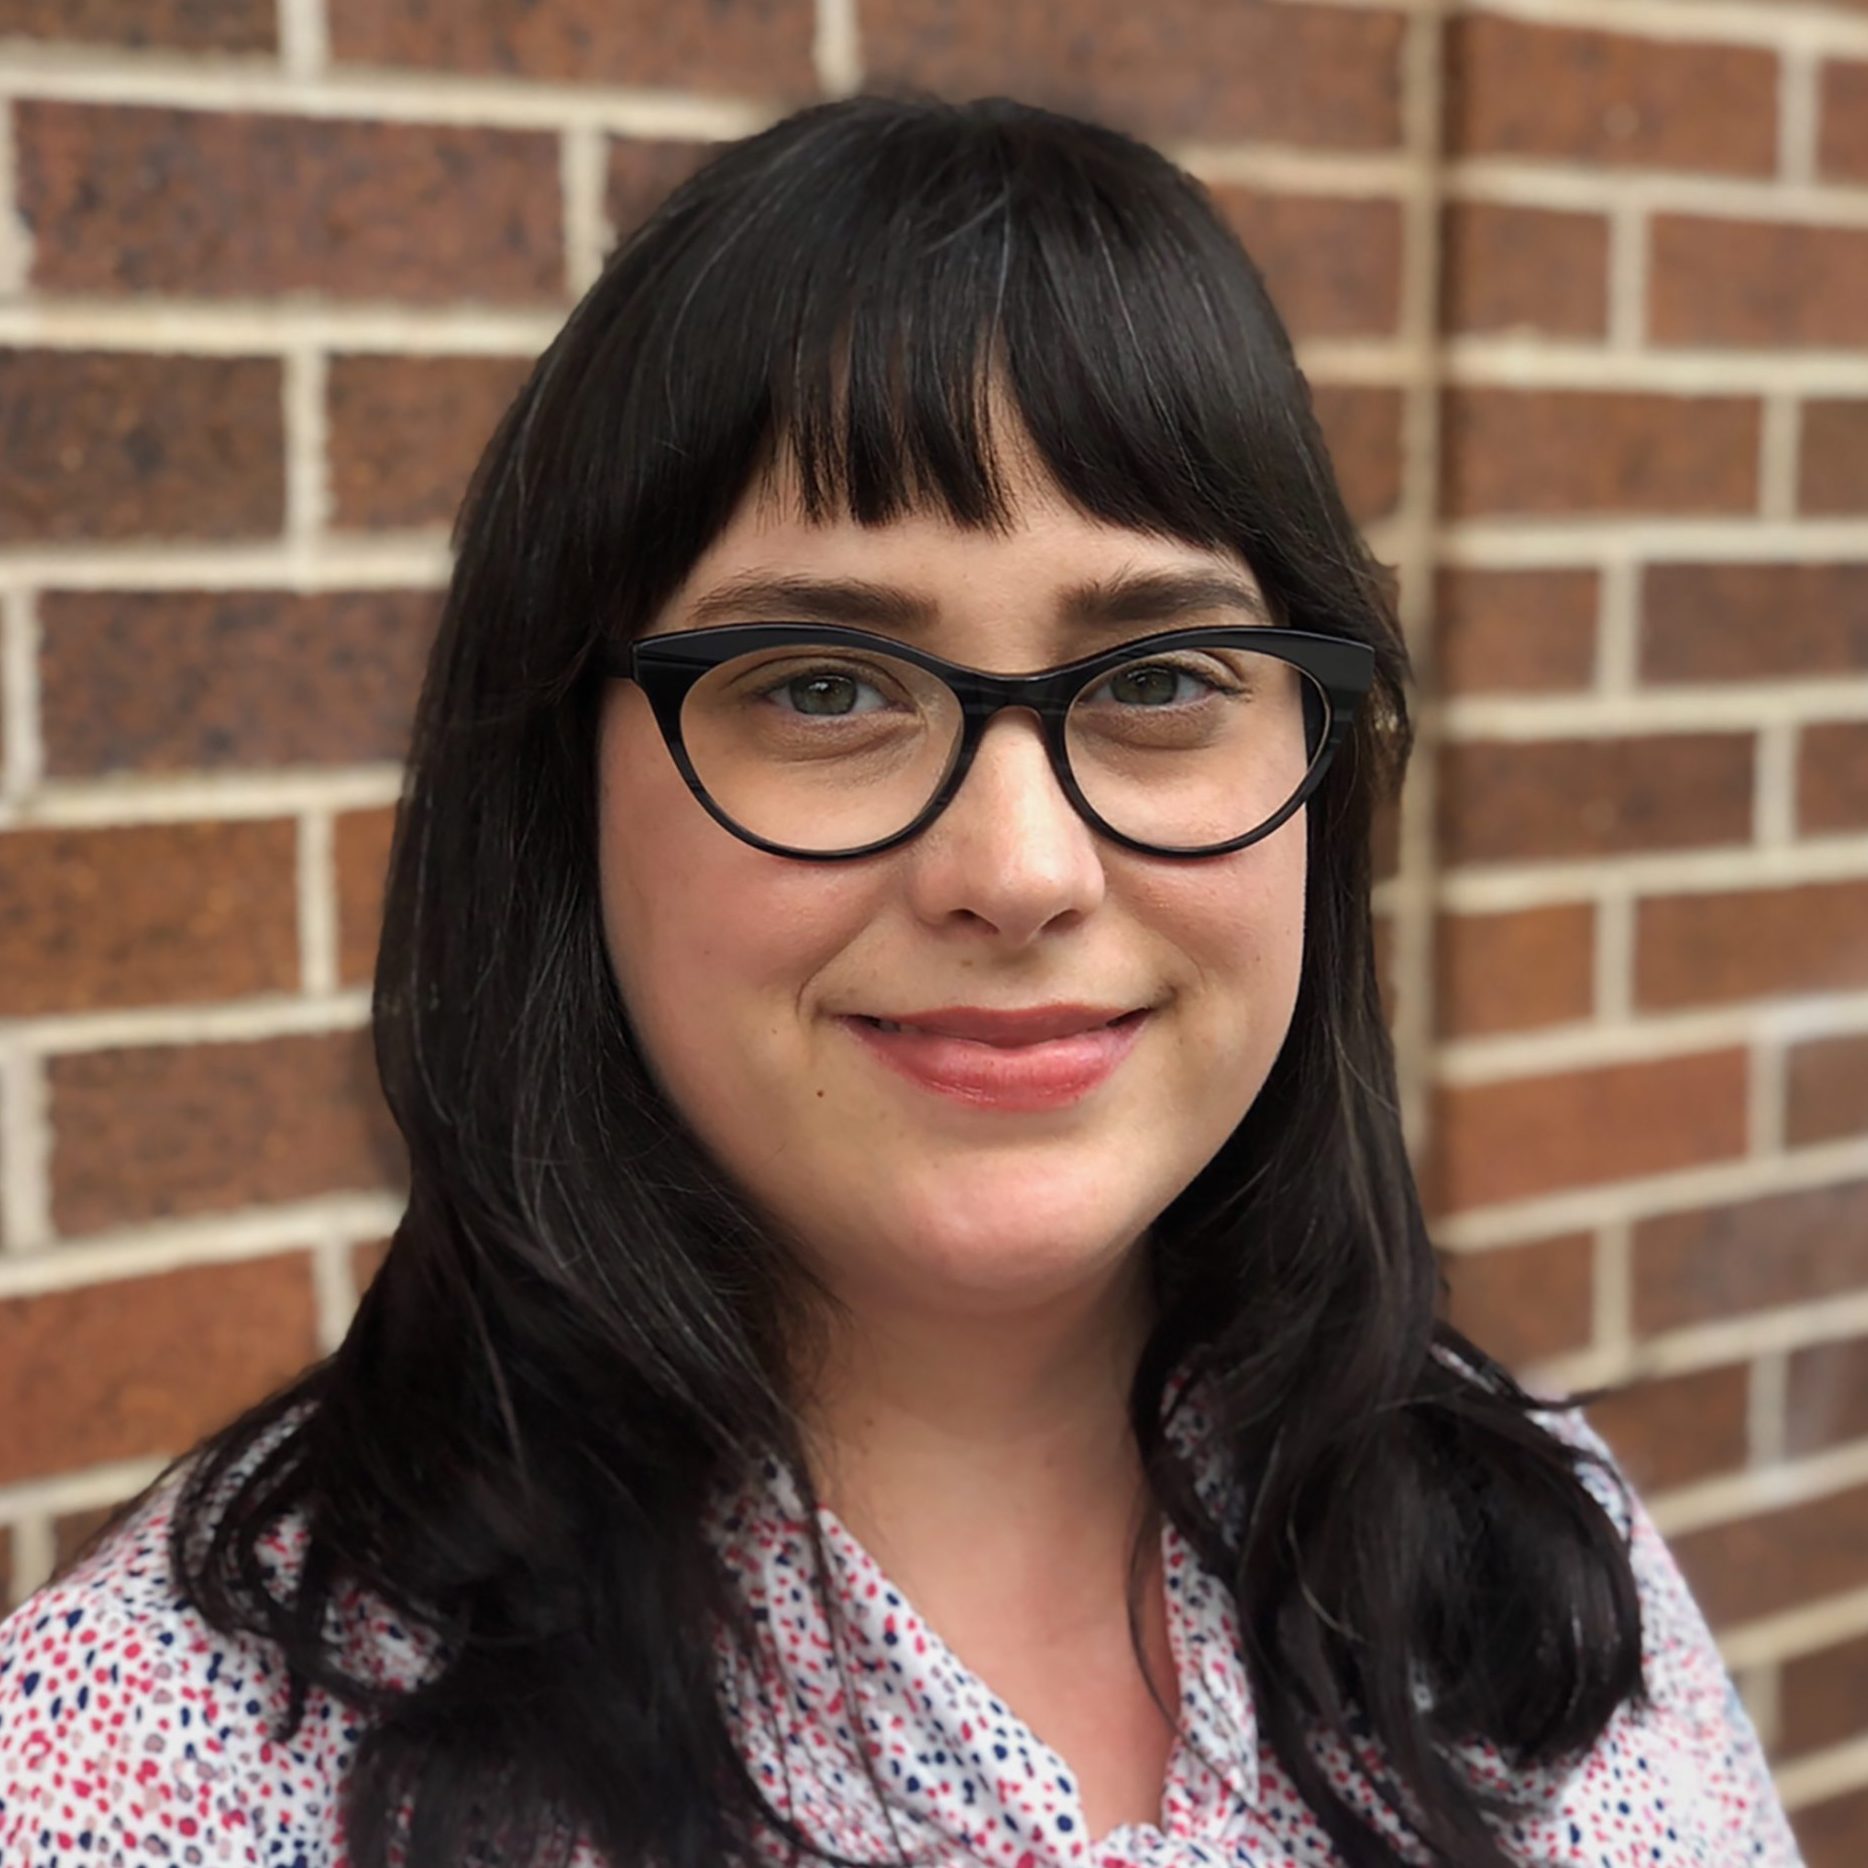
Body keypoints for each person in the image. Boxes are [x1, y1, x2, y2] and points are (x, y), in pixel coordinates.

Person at [0, 92, 1802, 1868]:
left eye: (1165, 678)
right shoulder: (159, 1769)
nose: (1019, 872)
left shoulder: (1528, 1574)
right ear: (559, 794)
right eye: (824, 687)